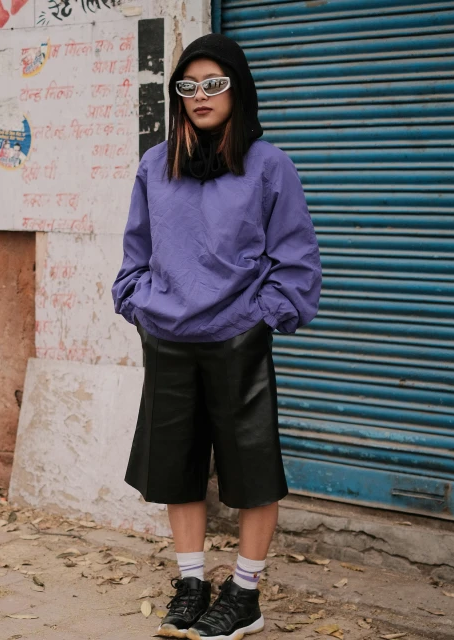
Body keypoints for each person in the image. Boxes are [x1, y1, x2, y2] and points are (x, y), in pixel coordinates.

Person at [112, 33, 321, 640]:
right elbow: (136, 250)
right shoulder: (157, 163)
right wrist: (138, 302)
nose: (200, 96)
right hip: (169, 335)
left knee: (251, 467)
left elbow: (297, 258)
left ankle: (247, 592)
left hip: (237, 336)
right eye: (188, 86)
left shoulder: (268, 164)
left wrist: (263, 317)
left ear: (238, 89)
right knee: (176, 464)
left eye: (214, 84)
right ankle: (190, 581)